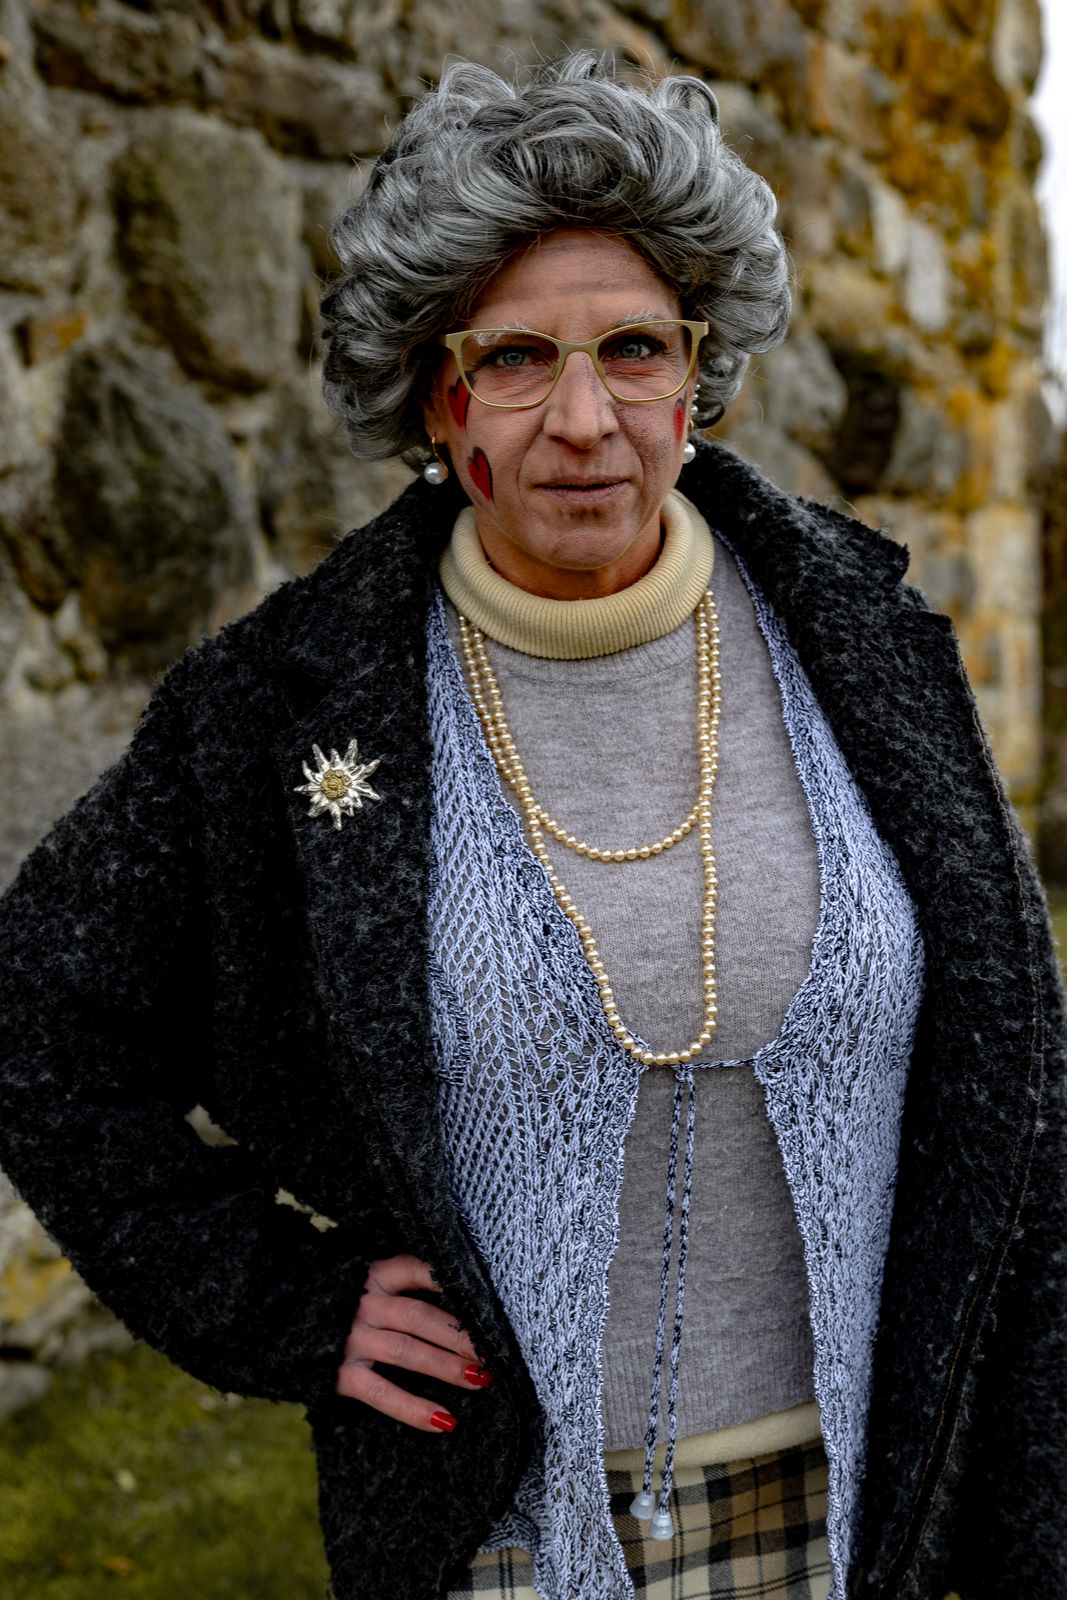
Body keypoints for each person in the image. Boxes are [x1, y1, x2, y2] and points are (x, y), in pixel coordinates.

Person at [0, 52, 1063, 1600]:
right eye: (514, 358)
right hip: (499, 1531)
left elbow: (1018, 1103)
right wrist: (289, 1303)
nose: (583, 419)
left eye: (633, 348)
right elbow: (39, 1011)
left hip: (863, 1518)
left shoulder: (869, 648)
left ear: (695, 377)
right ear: (441, 399)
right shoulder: (280, 707)